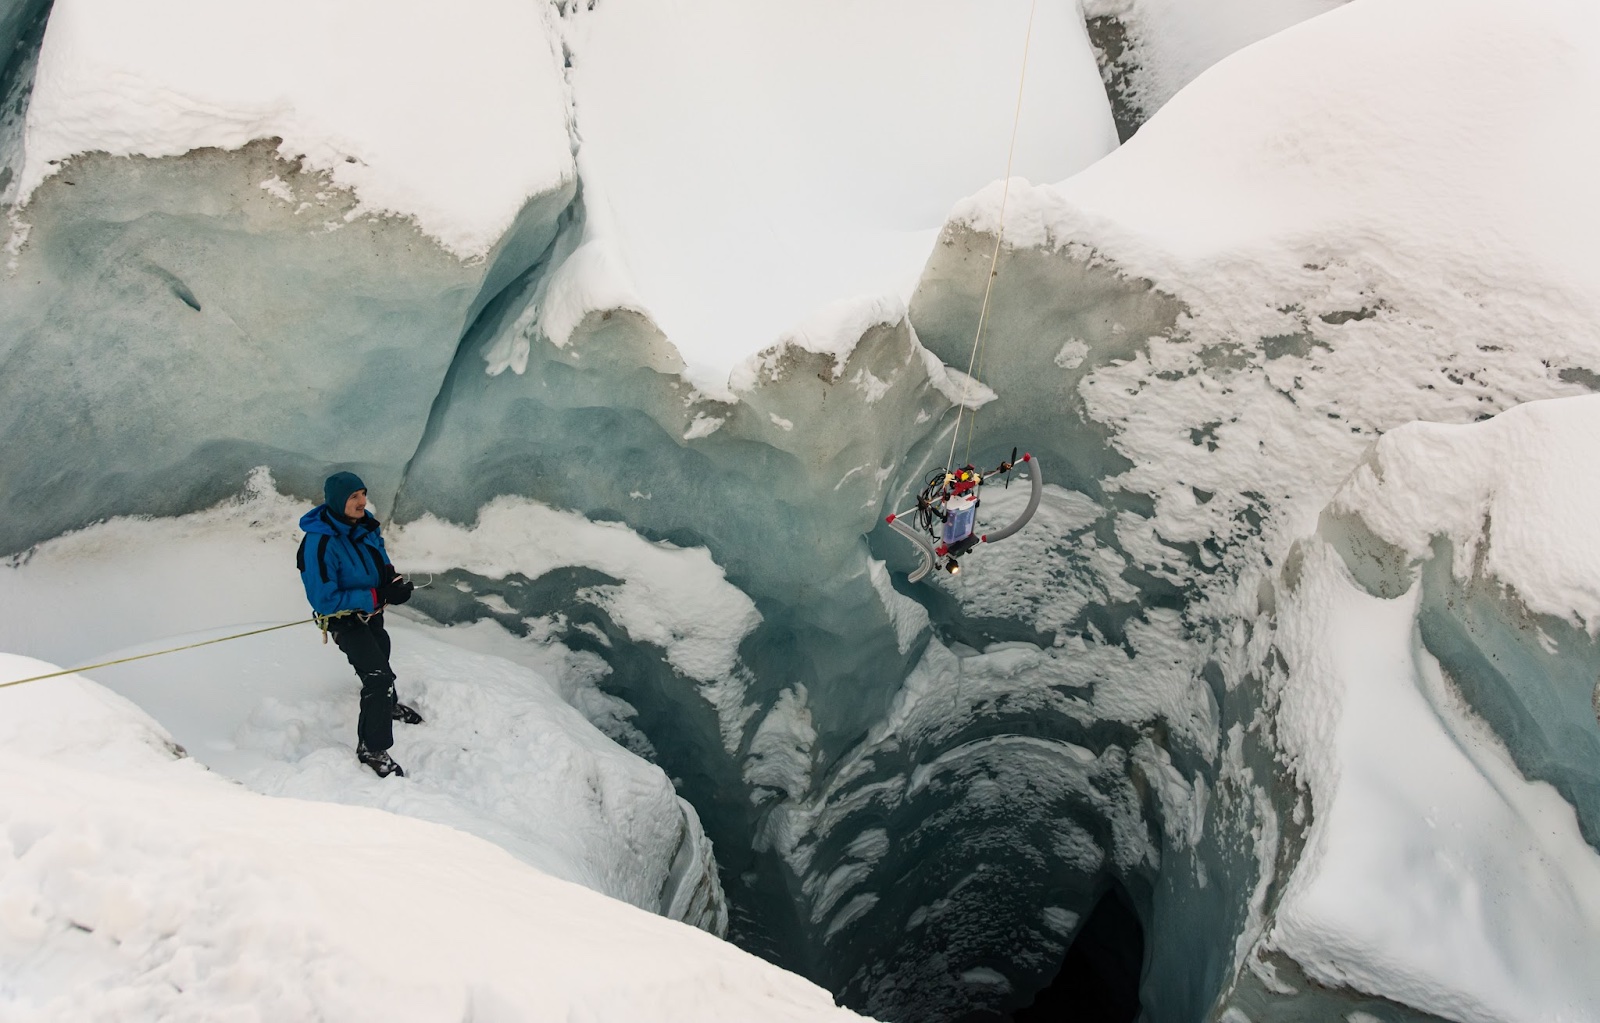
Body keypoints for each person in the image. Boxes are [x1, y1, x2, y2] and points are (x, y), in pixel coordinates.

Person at [297, 471, 421, 778]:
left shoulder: (364, 527)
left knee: (383, 648)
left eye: (363, 494)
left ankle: (386, 706)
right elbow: (323, 600)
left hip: (371, 611)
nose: (362, 501)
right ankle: (371, 747)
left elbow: (381, 561)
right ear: (338, 500)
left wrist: (393, 583)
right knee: (377, 676)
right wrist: (375, 595)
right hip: (343, 619)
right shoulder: (320, 543)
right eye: (354, 496)